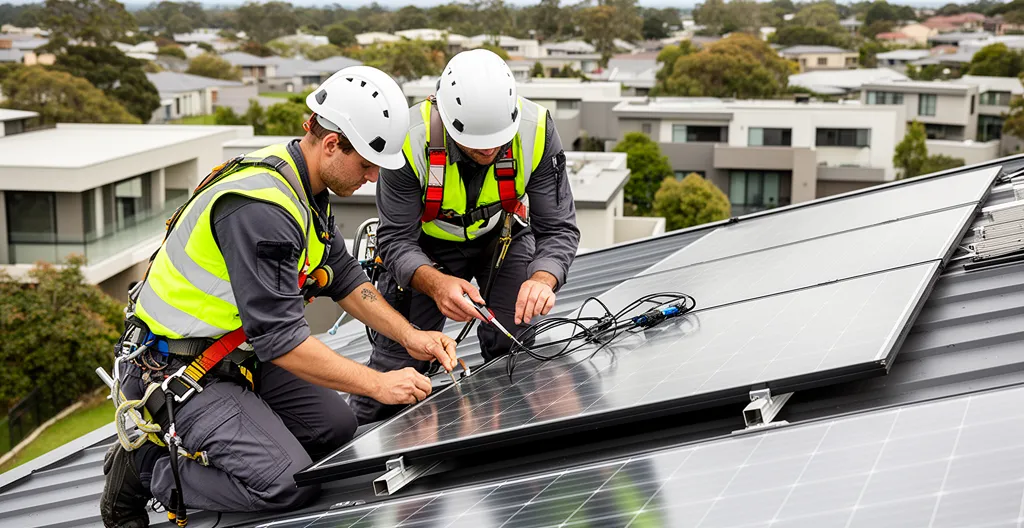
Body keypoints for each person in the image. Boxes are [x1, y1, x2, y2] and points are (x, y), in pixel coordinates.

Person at [100, 66, 458, 527]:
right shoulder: (262, 209)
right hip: (179, 369)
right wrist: (378, 384)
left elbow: (344, 277)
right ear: (332, 144)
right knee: (287, 484)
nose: (372, 178)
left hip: (237, 352)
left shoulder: (303, 186)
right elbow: (282, 341)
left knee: (336, 429)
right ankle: (148, 469)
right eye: (367, 165)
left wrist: (411, 336)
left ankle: (246, 439)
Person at [348, 49, 581, 425]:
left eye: (497, 141)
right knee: (403, 359)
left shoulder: (535, 130)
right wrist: (436, 284)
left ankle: (506, 430)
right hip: (425, 249)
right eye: (476, 143)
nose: (488, 149)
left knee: (513, 341)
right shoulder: (409, 139)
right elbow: (395, 240)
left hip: (500, 239)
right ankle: (357, 442)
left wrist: (543, 278)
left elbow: (558, 227)